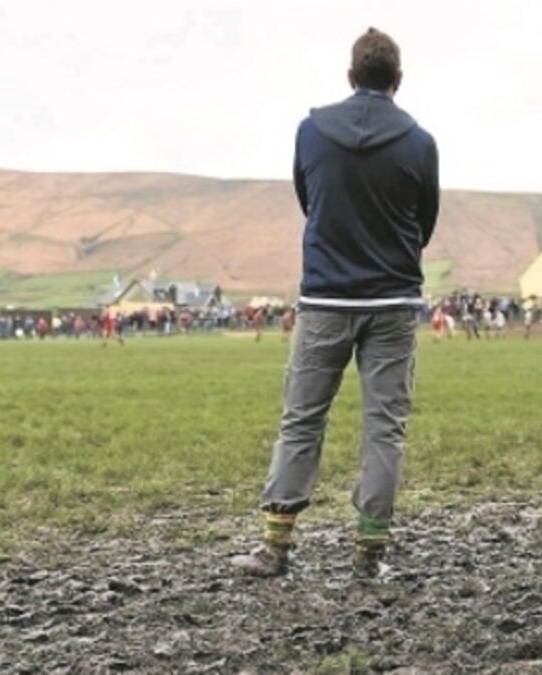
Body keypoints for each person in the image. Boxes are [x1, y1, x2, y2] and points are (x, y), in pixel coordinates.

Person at [231, 27, 438, 580]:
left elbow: (310, 200)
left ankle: (275, 547)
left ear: (351, 77)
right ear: (398, 80)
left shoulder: (311, 132)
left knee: (301, 419)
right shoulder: (420, 143)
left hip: (324, 297)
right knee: (384, 426)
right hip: (392, 300)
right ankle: (369, 552)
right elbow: (425, 222)